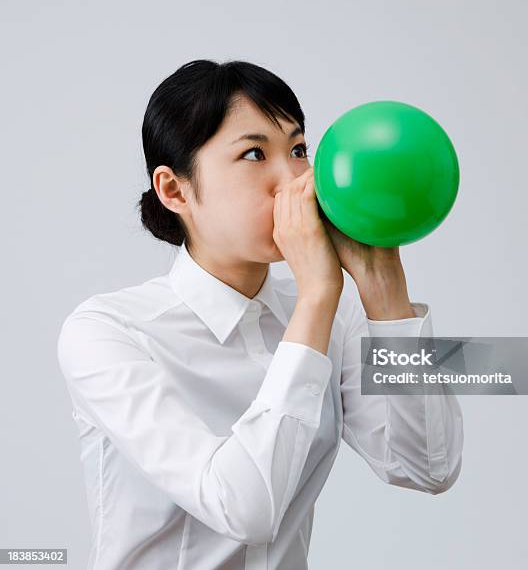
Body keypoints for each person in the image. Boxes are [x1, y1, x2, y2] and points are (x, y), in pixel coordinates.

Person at [56, 59, 464, 570]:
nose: (295, 179)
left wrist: (384, 289)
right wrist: (317, 296)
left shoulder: (333, 311)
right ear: (174, 190)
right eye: (254, 153)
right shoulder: (109, 333)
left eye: (298, 150)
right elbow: (241, 507)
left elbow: (428, 466)